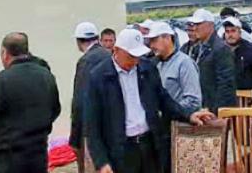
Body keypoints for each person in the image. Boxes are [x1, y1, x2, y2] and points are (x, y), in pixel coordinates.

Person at [85, 28, 213, 173]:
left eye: (138, 56)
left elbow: (164, 100)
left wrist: (188, 115)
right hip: (121, 151)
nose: (135, 61)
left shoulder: (147, 68)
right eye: (131, 56)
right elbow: (92, 125)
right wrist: (101, 162)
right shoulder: (98, 77)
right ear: (116, 50)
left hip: (150, 146)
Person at [0, 33, 61, 173]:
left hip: (6, 157)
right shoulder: (46, 76)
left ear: (5, 53)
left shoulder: (1, 80)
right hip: (38, 155)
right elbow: (55, 109)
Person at [70, 22, 111, 172]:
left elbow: (79, 101)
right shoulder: (110, 56)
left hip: (92, 128)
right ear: (97, 38)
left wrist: (75, 136)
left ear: (78, 41)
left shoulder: (85, 61)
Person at [185, 9, 237, 113]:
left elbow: (226, 85)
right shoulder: (197, 48)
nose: (195, 28)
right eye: (194, 24)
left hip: (216, 110)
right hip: (203, 107)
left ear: (210, 25)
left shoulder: (221, 49)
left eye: (198, 24)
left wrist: (216, 111)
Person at [146, 21, 202, 113]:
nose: (151, 46)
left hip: (180, 119)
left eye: (154, 40)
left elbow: (194, 101)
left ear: (167, 38)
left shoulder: (184, 63)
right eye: (150, 42)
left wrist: (171, 111)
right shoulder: (155, 64)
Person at [223, 17, 252, 98]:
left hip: (249, 97)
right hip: (226, 97)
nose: (230, 35)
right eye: (227, 31)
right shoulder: (220, 51)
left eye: (233, 31)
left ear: (240, 32)